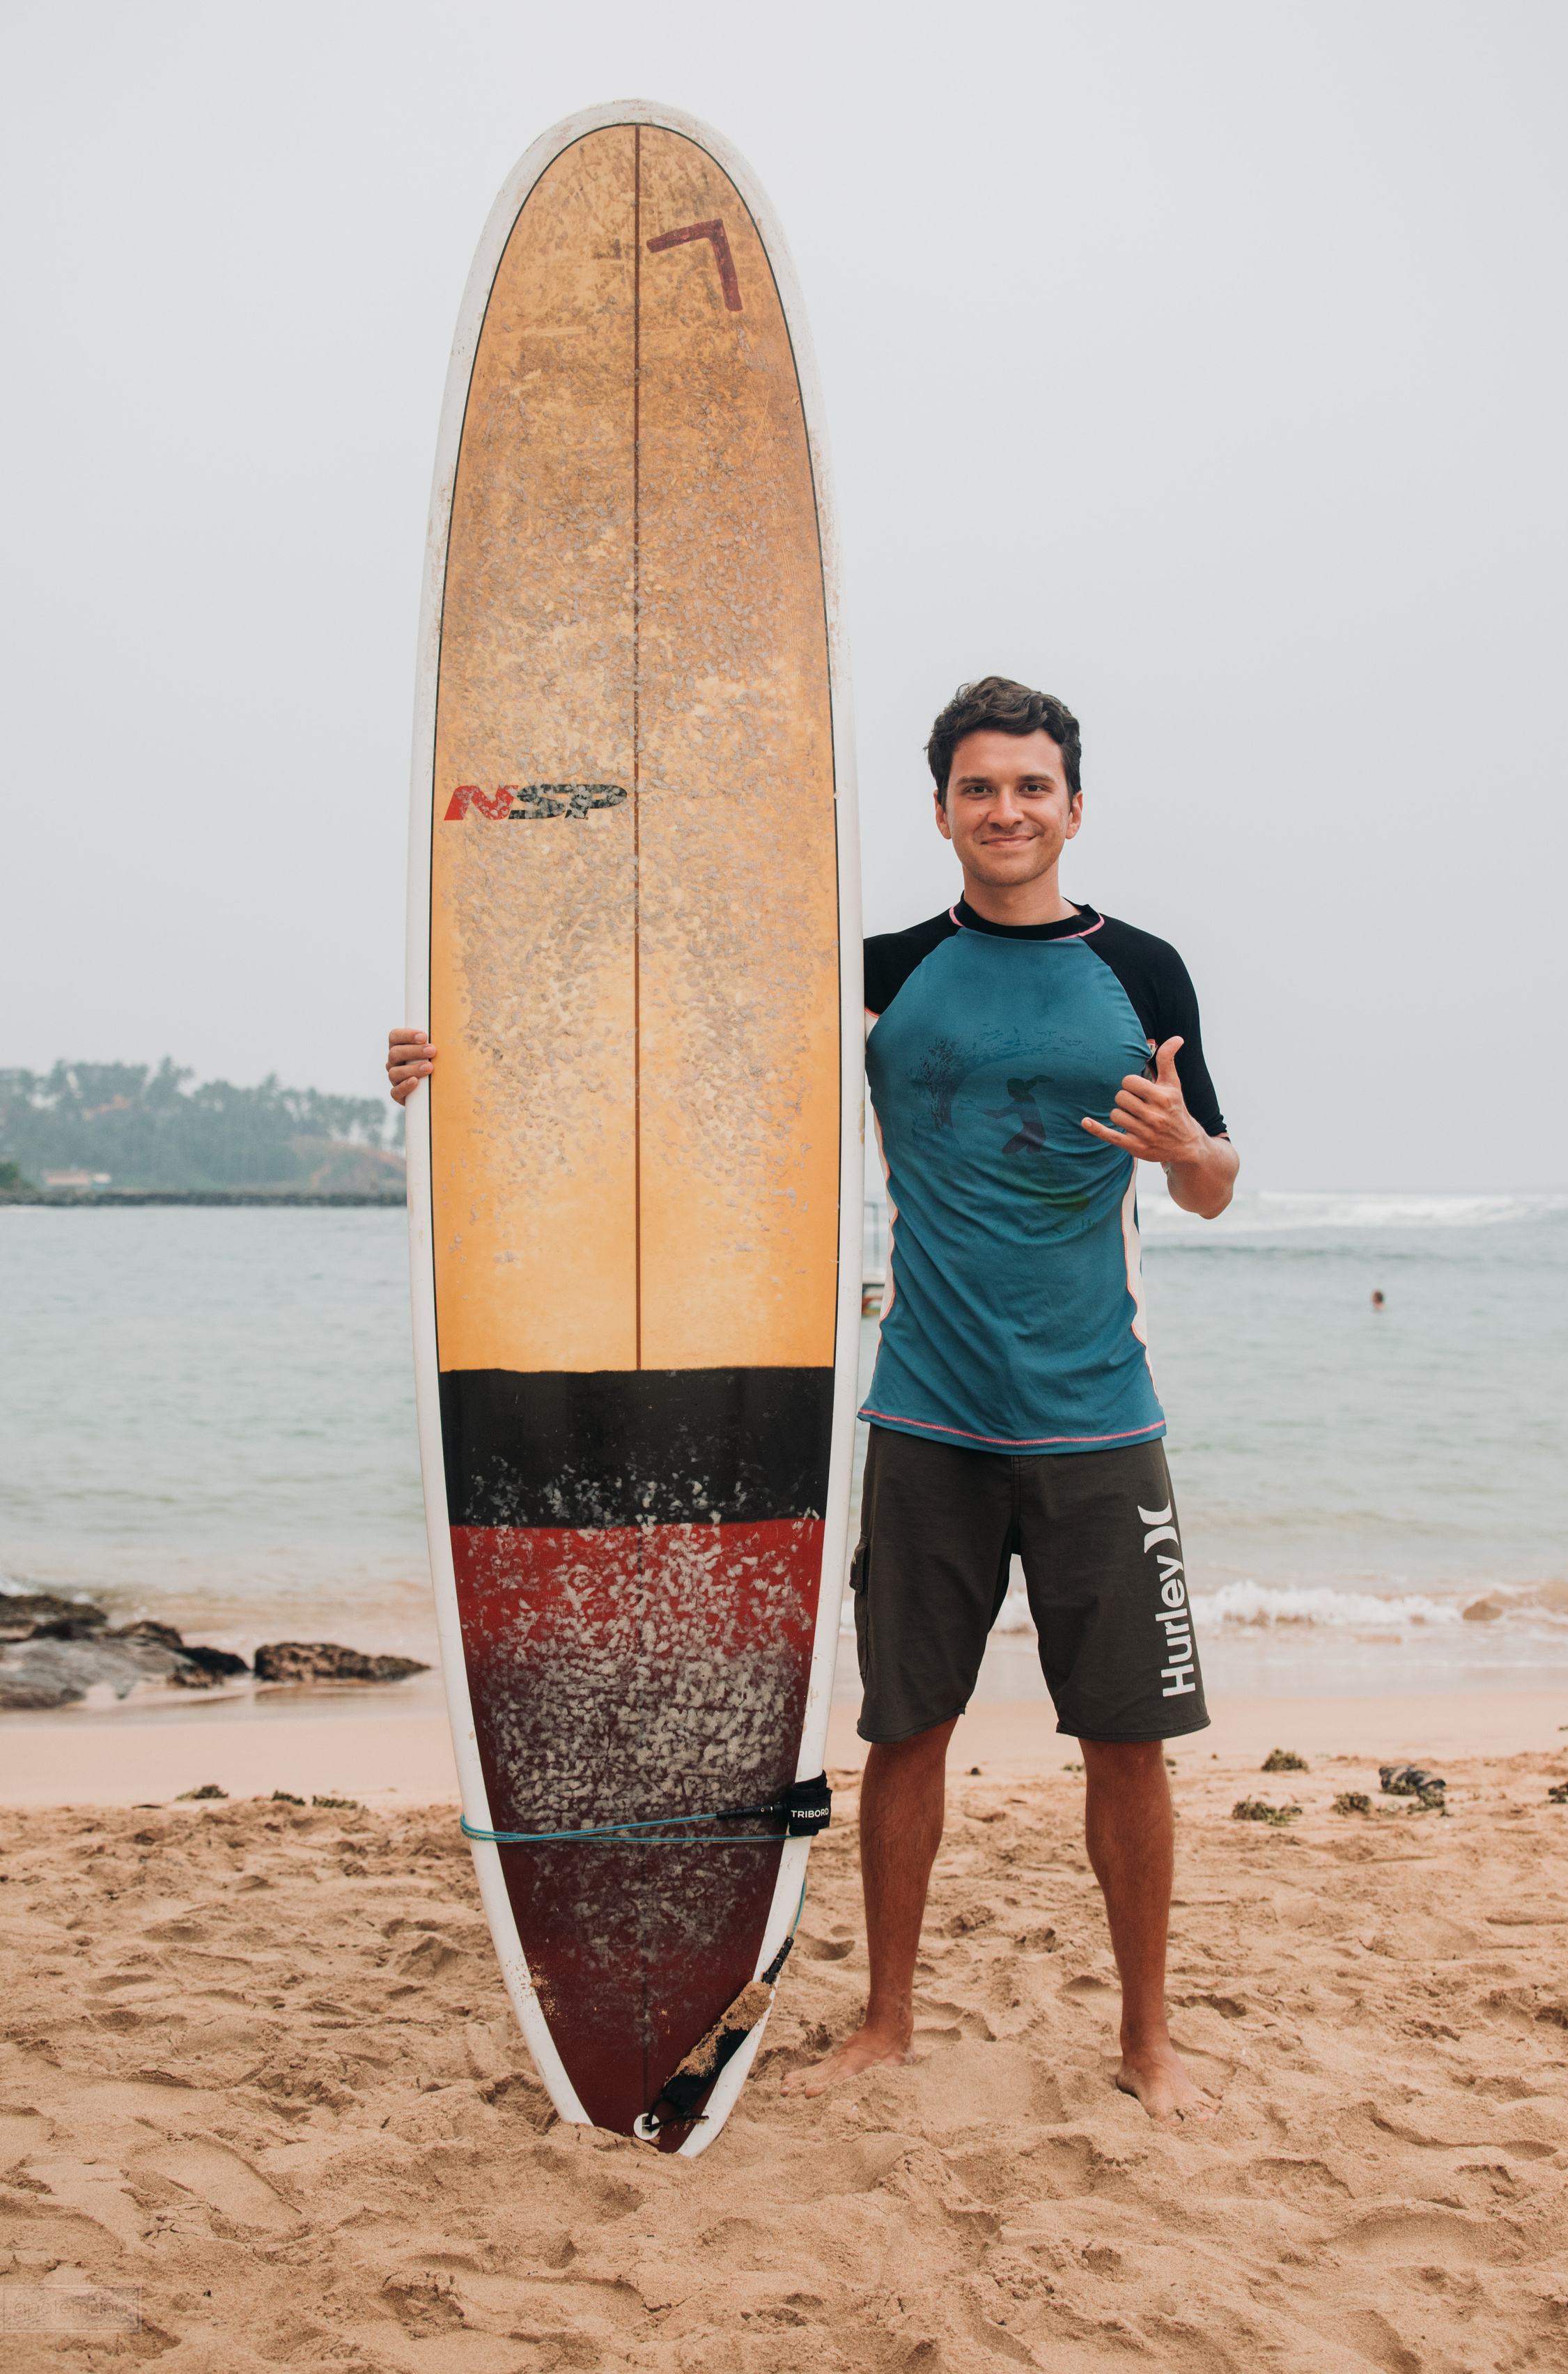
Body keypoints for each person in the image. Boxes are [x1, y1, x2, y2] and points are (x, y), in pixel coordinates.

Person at [386, 675, 1238, 2125]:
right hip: (922, 1417)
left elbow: (1215, 1183)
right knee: (902, 1728)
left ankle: (1147, 2036)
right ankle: (888, 2017)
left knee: (1126, 1741)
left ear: (1072, 806)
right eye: (978, 787)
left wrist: (1181, 1150)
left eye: (1031, 786)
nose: (1006, 809)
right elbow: (675, 1058)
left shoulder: (1143, 971)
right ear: (941, 811)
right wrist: (460, 1066)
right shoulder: (886, 970)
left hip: (1100, 1419)